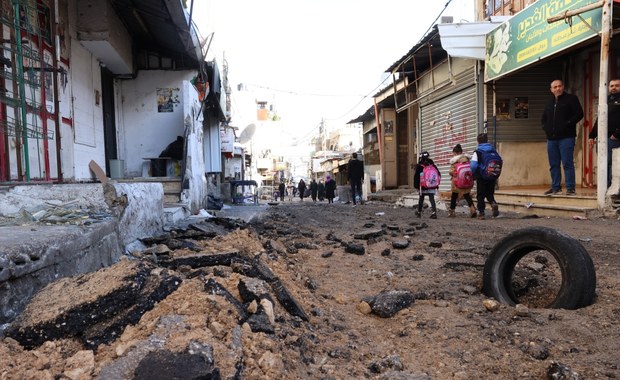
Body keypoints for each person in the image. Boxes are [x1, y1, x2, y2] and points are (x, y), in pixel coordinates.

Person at [541, 79, 584, 196]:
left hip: (566, 138)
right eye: (555, 87)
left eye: (559, 86)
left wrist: (568, 123)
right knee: (554, 164)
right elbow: (544, 119)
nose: (557, 89)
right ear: (551, 90)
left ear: (563, 87)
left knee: (567, 163)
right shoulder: (549, 103)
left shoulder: (571, 99)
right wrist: (546, 128)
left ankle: (570, 188)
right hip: (551, 139)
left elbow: (579, 114)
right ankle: (556, 187)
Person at [588, 78, 620, 188]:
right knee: (603, 163)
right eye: (612, 86)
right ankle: (604, 188)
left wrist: (616, 135)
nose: (614, 88)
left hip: (614, 138)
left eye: (617, 85)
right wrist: (592, 136)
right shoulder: (605, 100)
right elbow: (599, 119)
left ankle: (612, 188)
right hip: (602, 137)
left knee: (612, 163)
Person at [470, 133, 500, 220]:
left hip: (481, 176)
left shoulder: (478, 152)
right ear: (487, 140)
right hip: (492, 175)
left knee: (481, 194)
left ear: (478, 141)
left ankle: (482, 213)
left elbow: (473, 165)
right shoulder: (493, 150)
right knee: (489, 192)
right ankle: (493, 203)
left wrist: (472, 174)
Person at [448, 144, 477, 218]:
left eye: (453, 153)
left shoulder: (455, 161)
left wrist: (451, 173)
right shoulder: (467, 159)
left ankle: (452, 212)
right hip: (467, 181)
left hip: (457, 182)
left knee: (454, 196)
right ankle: (473, 209)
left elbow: (451, 172)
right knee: (467, 195)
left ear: (456, 153)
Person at [413, 151, 440, 219]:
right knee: (432, 199)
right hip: (431, 186)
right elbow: (438, 174)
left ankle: (419, 213)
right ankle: (434, 213)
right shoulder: (432, 165)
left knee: (421, 199)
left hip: (423, 187)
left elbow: (416, 177)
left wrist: (416, 186)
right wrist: (436, 185)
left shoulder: (420, 166)